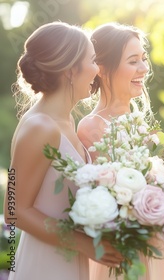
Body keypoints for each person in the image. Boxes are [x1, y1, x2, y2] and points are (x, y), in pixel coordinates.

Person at [5, 22, 122, 280]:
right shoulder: (39, 126)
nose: (97, 69)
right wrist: (85, 245)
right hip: (44, 265)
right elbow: (13, 210)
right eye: (92, 60)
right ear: (70, 71)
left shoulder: (67, 122)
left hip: (71, 261)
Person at [76, 23, 164, 280]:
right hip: (121, 251)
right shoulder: (92, 127)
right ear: (102, 69)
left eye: (144, 59)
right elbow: (105, 201)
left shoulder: (140, 120)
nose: (143, 68)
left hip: (154, 244)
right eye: (133, 61)